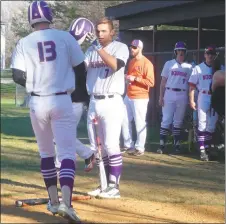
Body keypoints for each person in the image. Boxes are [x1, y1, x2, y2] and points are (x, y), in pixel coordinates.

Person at [11, 1, 84, 222]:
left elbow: (17, 75)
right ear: (49, 16)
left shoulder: (24, 42)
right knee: (67, 153)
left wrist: (36, 83)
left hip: (37, 101)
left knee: (46, 153)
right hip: (62, 99)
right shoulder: (65, 37)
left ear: (30, 18)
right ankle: (67, 203)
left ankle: (52, 202)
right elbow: (80, 69)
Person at [84, 17, 129, 198]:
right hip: (94, 100)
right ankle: (103, 184)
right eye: (98, 31)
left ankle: (114, 187)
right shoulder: (91, 49)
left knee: (111, 144)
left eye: (104, 31)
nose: (100, 34)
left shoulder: (121, 47)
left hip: (112, 101)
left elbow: (115, 65)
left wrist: (98, 48)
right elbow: (81, 69)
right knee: (97, 147)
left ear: (112, 32)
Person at [157, 41, 193, 154]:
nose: (181, 52)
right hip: (169, 92)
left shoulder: (189, 67)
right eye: (179, 50)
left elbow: (191, 84)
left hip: (182, 93)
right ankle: (162, 144)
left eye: (183, 50)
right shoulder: (169, 63)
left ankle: (177, 144)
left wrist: (190, 98)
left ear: (185, 52)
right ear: (175, 51)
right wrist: (160, 96)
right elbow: (163, 82)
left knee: (178, 121)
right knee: (166, 119)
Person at [121, 39, 155, 156]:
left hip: (140, 97)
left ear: (140, 48)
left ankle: (140, 147)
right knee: (124, 120)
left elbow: (151, 82)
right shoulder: (131, 62)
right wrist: (127, 78)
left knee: (139, 122)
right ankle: (128, 144)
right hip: (129, 95)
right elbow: (130, 77)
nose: (132, 49)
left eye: (134, 47)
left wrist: (135, 79)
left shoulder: (147, 63)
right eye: (131, 46)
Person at [189, 45, 219, 161]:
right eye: (208, 53)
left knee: (211, 125)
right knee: (202, 123)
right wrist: (191, 100)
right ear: (205, 55)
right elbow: (191, 86)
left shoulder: (220, 67)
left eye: (212, 54)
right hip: (203, 95)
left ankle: (207, 147)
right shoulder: (198, 68)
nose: (210, 56)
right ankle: (202, 149)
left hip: (215, 97)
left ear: (215, 55)